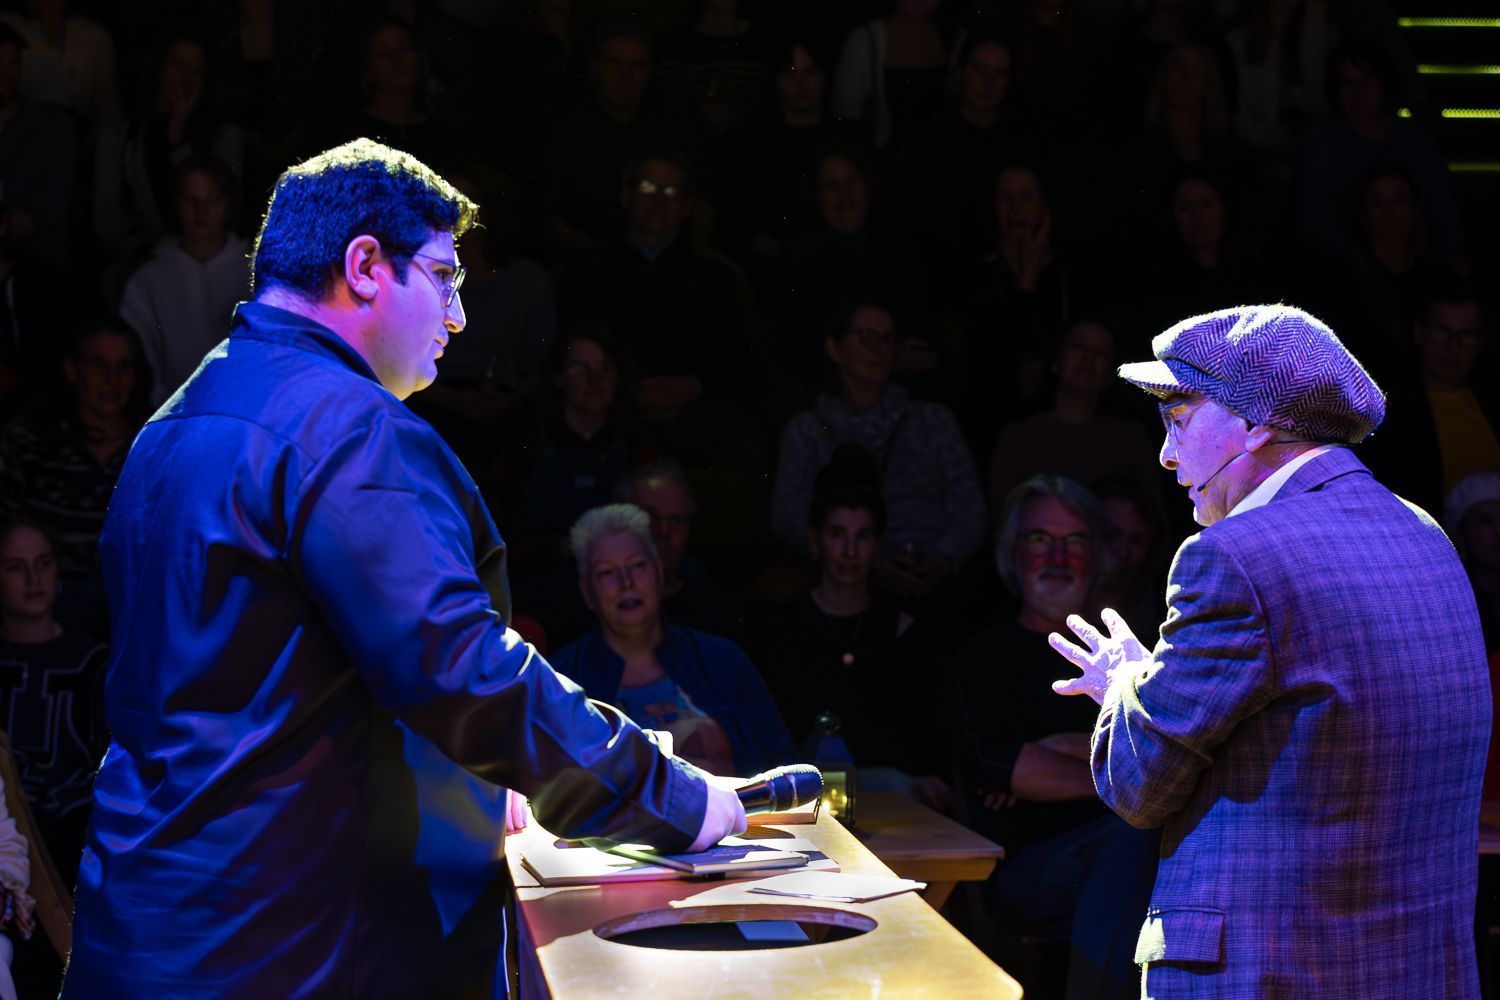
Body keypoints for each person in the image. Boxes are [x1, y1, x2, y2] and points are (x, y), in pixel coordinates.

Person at [62, 139, 745, 999]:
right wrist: (671, 797)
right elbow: (460, 670)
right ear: (366, 266)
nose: (458, 316)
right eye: (447, 277)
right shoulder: (342, 424)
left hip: (143, 934)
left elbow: (256, 687)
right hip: (285, 950)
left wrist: (460, 787)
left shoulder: (175, 418)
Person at [1049, 304, 1488, 996]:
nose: (1165, 454)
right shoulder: (1426, 536)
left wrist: (1127, 682)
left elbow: (1139, 787)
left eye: (1180, 418)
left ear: (1255, 424)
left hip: (1273, 973)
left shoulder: (1234, 558)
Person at [955, 474, 1156, 1000]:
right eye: (1040, 539)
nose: (1057, 556)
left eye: (1075, 541)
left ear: (1101, 555)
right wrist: (1127, 777)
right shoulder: (984, 656)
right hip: (1029, 871)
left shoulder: (1127, 652)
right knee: (1134, 836)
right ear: (1013, 552)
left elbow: (1173, 751)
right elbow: (1004, 769)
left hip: (1123, 860)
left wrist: (1062, 756)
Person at [550, 503, 794, 777]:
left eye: (638, 565)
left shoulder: (721, 660)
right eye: (607, 572)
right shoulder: (560, 679)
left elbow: (784, 767)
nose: (626, 582)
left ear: (660, 573)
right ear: (586, 592)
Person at [0, 514, 108, 886]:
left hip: (77, 832)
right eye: (16, 568)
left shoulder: (92, 662)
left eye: (44, 564)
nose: (34, 579)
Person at [118, 154, 252, 403]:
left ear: (228, 203)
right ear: (177, 203)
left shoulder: (252, 271)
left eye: (212, 200)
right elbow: (141, 356)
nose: (201, 211)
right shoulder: (150, 279)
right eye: (192, 200)